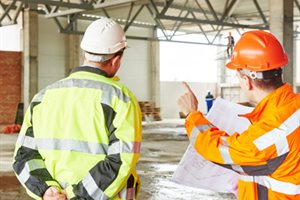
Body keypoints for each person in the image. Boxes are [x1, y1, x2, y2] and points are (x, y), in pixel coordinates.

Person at [13, 17, 142, 200]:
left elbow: (24, 155)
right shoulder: (120, 99)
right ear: (116, 59)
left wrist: (46, 190)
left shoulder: (43, 97)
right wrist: (76, 196)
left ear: (84, 52)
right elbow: (120, 160)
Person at [178, 30, 300, 199]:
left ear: (246, 81)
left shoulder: (275, 129)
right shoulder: (293, 107)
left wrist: (192, 115)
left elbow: (221, 149)